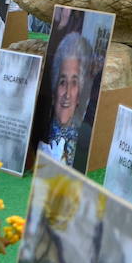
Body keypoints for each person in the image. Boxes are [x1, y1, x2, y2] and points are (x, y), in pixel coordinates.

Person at [36, 33, 94, 169]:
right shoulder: (38, 130)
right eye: (62, 82)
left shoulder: (86, 140)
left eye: (74, 83)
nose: (67, 94)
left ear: (80, 94)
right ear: (54, 89)